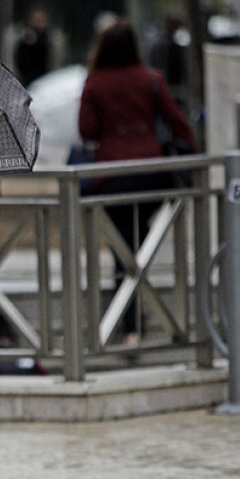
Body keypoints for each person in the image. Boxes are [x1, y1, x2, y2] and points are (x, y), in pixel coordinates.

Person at [77, 19, 196, 343]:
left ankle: (130, 326)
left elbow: (86, 129)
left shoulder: (95, 83)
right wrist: (195, 161)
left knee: (123, 251)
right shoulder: (151, 79)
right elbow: (179, 123)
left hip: (113, 175)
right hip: (152, 175)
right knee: (137, 240)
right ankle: (141, 314)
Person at [13, 7, 50, 87]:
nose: (40, 23)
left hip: (45, 81)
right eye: (37, 20)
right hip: (26, 82)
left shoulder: (48, 39)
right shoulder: (24, 38)